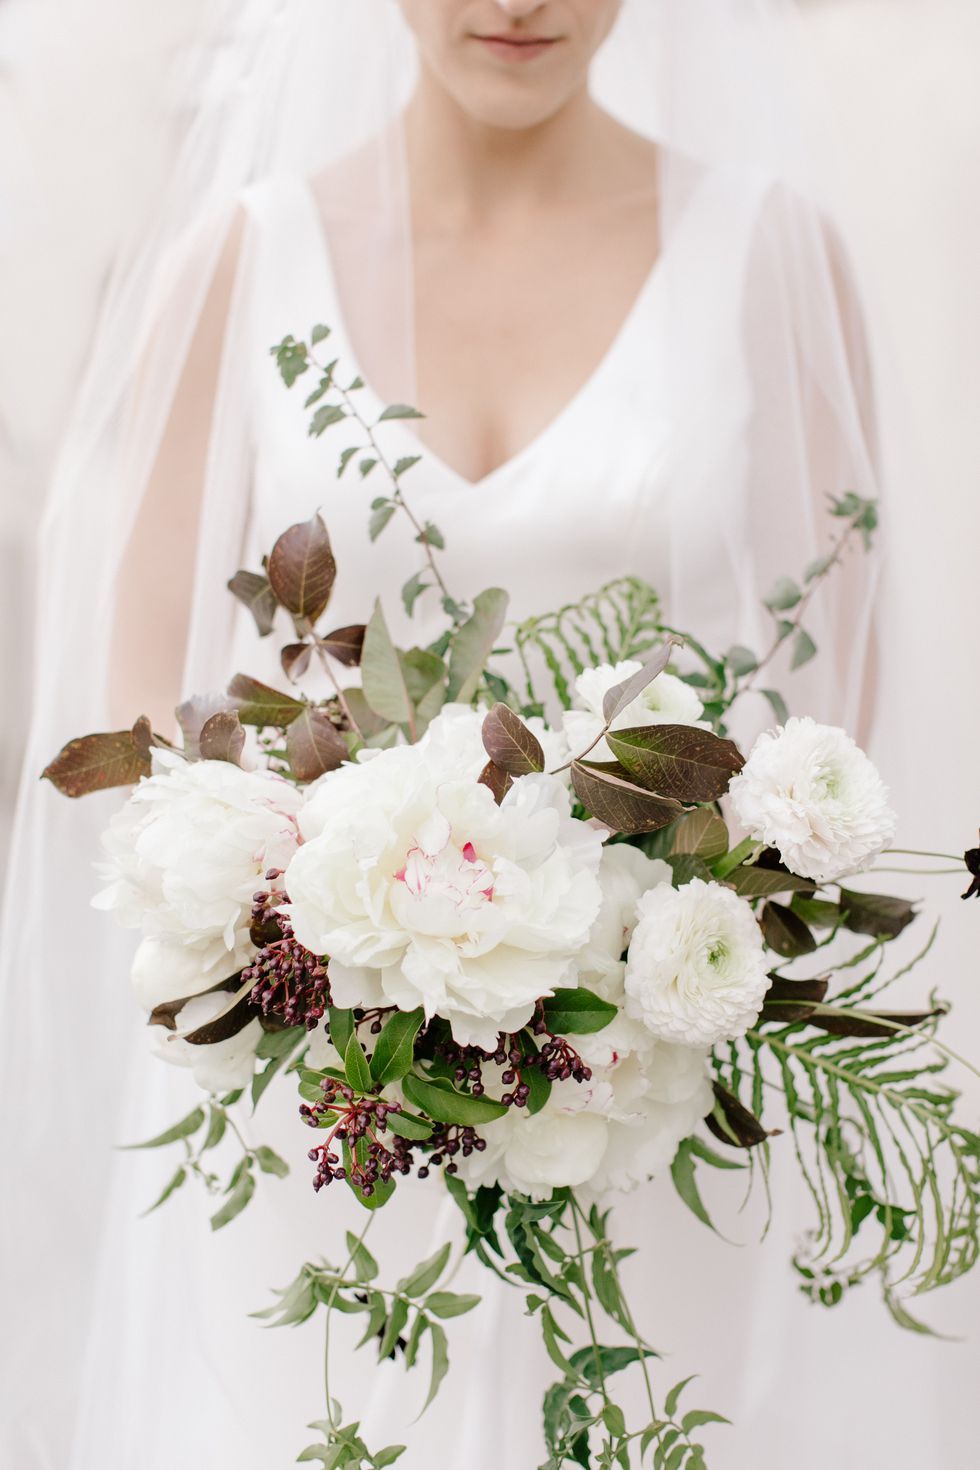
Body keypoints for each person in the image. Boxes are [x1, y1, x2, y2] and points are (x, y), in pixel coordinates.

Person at [0, 3, 900, 1467]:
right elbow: (148, 721)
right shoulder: (245, 256)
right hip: (327, 1134)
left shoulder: (773, 258)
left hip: (641, 1132)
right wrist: (326, 952)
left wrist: (621, 971)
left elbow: (827, 734)